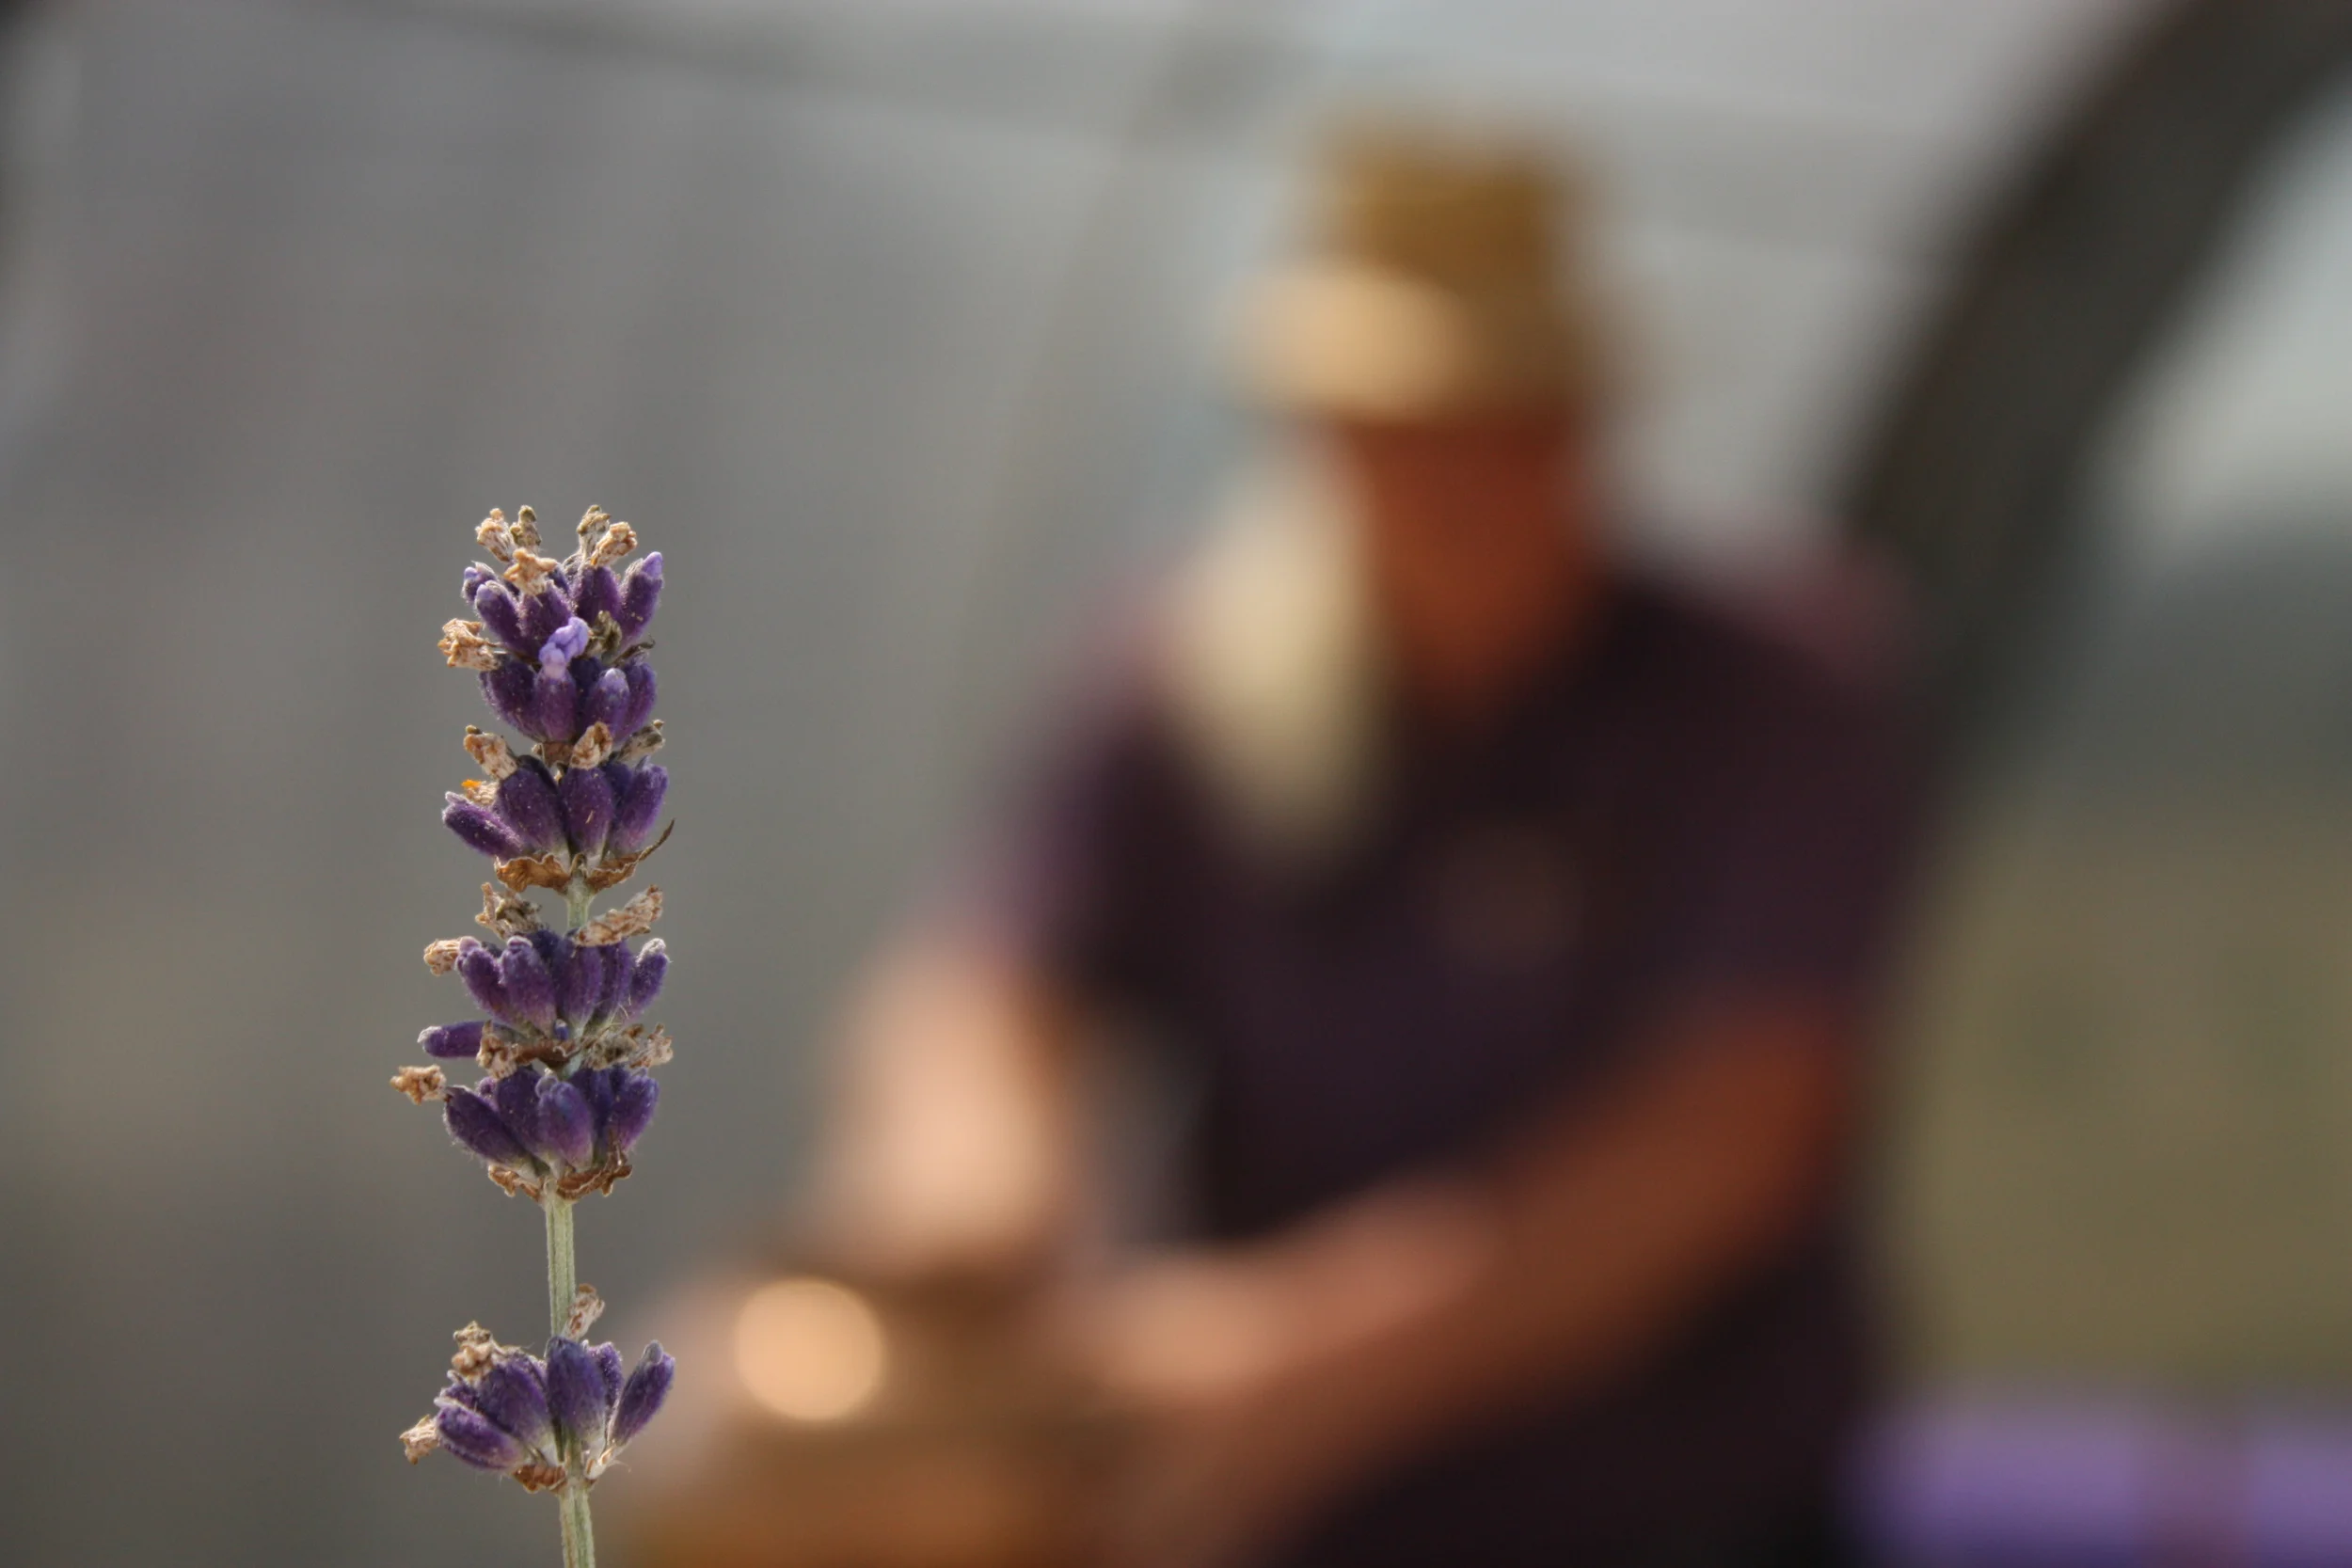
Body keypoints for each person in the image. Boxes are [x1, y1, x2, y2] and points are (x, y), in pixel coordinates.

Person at [816, 120, 1916, 1568]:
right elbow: (990, 979)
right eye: (1400, 425)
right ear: (1318, 437)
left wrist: (1287, 1360)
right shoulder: (1186, 685)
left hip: (1682, 1522)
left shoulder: (1771, 694)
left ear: (1583, 427)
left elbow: (1726, 1141)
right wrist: (969, 1193)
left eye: (1505, 420)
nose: (1456, 474)